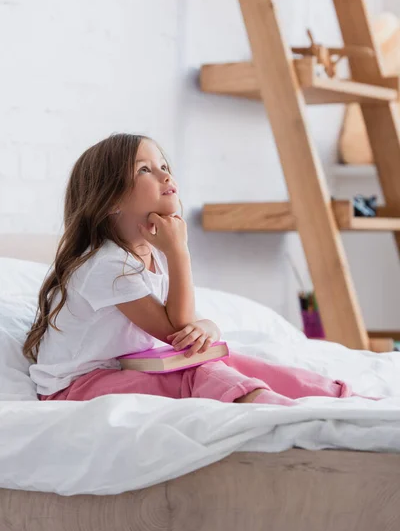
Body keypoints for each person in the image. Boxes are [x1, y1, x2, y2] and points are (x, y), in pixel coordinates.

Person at [24, 133, 366, 405]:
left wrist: (207, 327)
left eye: (162, 165)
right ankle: (266, 405)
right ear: (111, 199)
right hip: (77, 389)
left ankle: (338, 397)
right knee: (196, 375)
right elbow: (175, 331)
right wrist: (179, 251)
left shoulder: (147, 255)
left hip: (127, 368)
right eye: (145, 169)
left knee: (231, 363)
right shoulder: (105, 265)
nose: (165, 174)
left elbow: (188, 323)